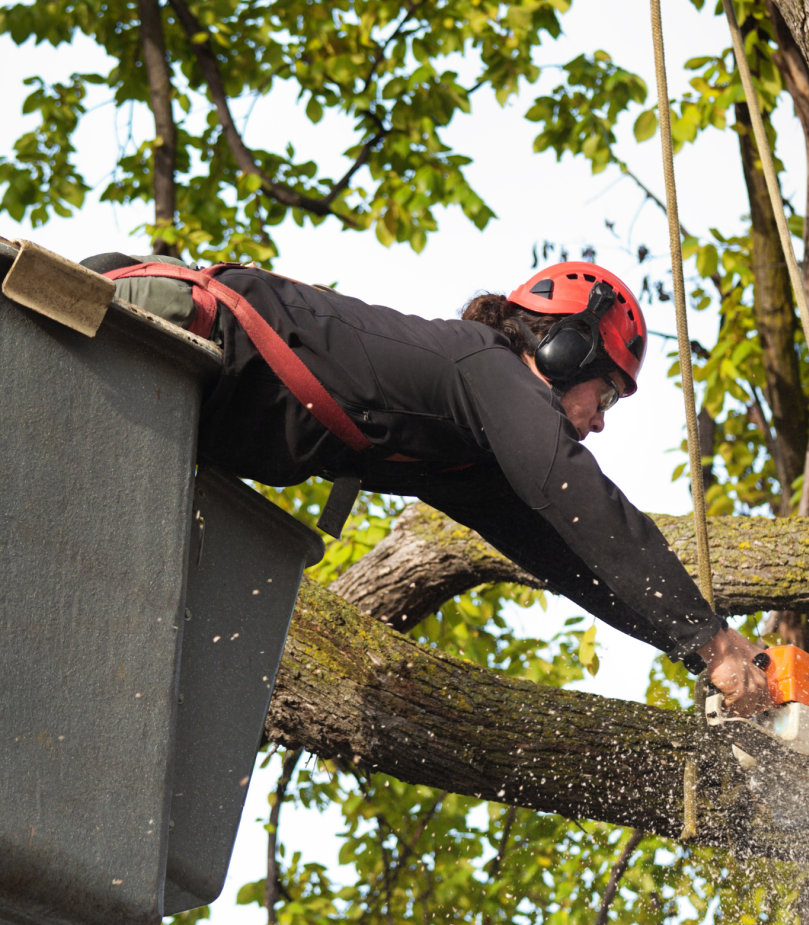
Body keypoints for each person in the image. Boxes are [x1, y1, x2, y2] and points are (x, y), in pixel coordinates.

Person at [83, 251, 770, 716]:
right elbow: (576, 491)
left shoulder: (469, 451)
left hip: (171, 400)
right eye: (606, 395)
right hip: (157, 327)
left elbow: (575, 557)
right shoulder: (488, 365)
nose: (599, 423)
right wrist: (712, 639)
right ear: (568, 348)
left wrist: (693, 649)